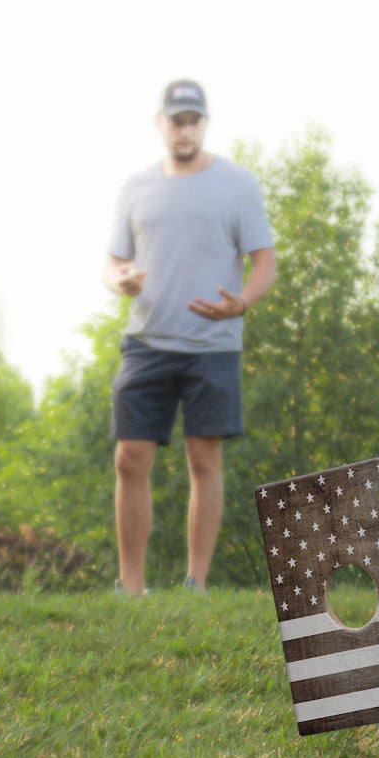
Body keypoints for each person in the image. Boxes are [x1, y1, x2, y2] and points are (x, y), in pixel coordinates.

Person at [104, 78, 276, 596]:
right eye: (176, 120)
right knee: (129, 457)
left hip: (212, 345)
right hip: (146, 343)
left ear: (204, 124)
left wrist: (241, 302)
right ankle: (131, 586)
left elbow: (265, 262)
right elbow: (113, 263)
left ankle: (195, 583)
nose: (184, 129)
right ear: (161, 124)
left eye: (193, 120)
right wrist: (121, 281)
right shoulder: (135, 187)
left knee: (204, 459)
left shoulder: (238, 184)